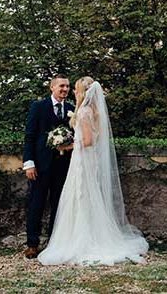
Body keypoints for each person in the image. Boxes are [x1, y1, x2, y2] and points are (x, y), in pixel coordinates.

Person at [39, 77, 149, 265]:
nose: (73, 92)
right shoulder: (95, 111)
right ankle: (91, 234)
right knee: (89, 195)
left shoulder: (83, 112)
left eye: (75, 89)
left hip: (82, 159)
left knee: (81, 195)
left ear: (82, 91)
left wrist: (67, 146)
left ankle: (81, 240)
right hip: (90, 160)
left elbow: (88, 141)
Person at [22, 75, 74, 258]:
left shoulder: (71, 109)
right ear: (52, 88)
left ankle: (54, 243)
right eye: (61, 86)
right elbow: (29, 136)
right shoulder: (39, 107)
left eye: (67, 86)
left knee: (59, 205)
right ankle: (32, 244)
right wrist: (29, 163)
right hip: (40, 166)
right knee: (36, 203)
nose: (65, 89)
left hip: (63, 166)